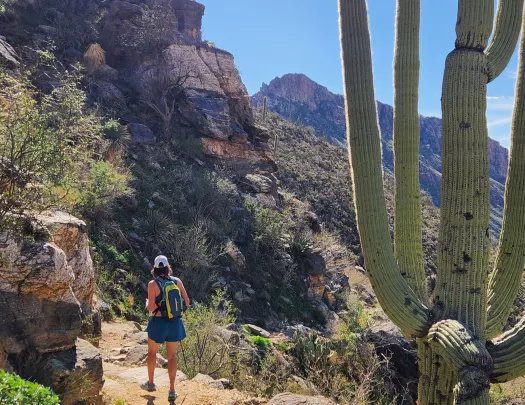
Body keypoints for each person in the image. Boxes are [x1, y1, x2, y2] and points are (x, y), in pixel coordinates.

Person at [141, 255, 190, 402]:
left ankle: (150, 383)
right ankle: (172, 390)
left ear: (155, 269)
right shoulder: (177, 281)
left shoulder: (152, 284)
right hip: (175, 323)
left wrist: (147, 303)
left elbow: (151, 308)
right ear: (168, 267)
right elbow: (186, 302)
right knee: (172, 356)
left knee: (152, 353)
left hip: (158, 323)